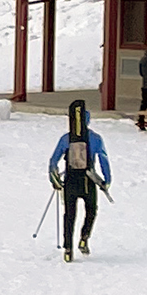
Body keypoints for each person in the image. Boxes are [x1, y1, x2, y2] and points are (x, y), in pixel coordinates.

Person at [50, 97, 112, 260]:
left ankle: (68, 249)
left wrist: (55, 179)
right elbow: (103, 159)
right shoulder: (96, 138)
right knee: (91, 210)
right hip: (88, 180)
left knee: (69, 215)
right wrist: (107, 180)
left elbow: (53, 161)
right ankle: (84, 238)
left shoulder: (66, 139)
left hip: (70, 180)